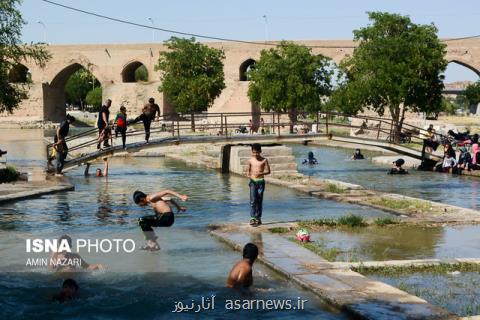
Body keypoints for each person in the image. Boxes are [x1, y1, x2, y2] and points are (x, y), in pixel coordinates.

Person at [247, 144, 271, 226]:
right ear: (252, 152)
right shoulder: (250, 160)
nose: (255, 154)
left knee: (259, 200)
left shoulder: (264, 160)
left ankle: (258, 217)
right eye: (254, 152)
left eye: (257, 152)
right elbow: (248, 171)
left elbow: (268, 171)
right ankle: (252, 218)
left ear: (260, 151)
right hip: (253, 182)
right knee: (253, 200)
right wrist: (250, 176)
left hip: (261, 182)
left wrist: (261, 173)